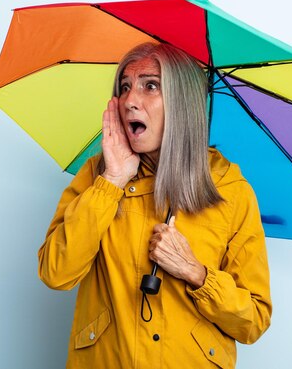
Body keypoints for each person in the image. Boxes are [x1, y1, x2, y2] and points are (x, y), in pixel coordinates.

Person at [38, 42, 272, 369]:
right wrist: (112, 181)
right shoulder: (98, 175)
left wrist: (197, 274)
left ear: (182, 103)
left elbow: (254, 320)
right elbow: (55, 271)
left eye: (151, 86)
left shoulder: (230, 190)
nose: (131, 101)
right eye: (125, 87)